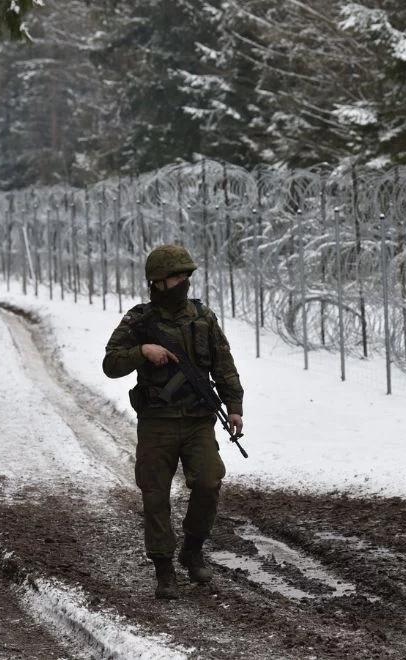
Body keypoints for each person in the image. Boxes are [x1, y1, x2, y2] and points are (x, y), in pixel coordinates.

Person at [102, 244, 245, 599]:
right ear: (157, 282)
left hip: (199, 421)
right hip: (157, 423)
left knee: (210, 481)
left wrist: (235, 406)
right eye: (176, 276)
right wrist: (142, 352)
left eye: (186, 276)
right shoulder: (139, 321)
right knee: (155, 496)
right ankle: (164, 569)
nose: (183, 282)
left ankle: (192, 550)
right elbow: (110, 364)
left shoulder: (203, 317)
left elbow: (223, 365)